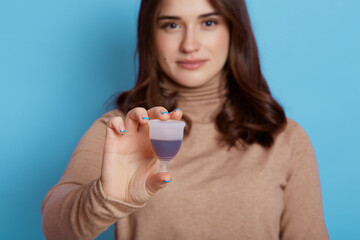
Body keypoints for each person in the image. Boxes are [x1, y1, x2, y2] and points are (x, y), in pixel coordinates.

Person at [41, 0, 329, 239]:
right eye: (172, 25)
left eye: (208, 22)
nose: (189, 45)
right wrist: (105, 198)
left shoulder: (285, 137)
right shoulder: (122, 131)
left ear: (233, 29)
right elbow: (54, 229)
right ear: (150, 35)